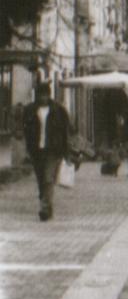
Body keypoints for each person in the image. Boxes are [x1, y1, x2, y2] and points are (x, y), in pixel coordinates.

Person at [22, 82, 72, 221]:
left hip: (53, 150)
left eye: (45, 95)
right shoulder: (30, 110)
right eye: (40, 95)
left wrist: (66, 153)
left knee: (48, 178)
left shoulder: (59, 110)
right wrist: (27, 149)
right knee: (40, 180)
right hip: (36, 150)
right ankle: (47, 206)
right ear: (37, 95)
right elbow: (26, 130)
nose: (43, 97)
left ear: (49, 95)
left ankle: (44, 208)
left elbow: (65, 132)